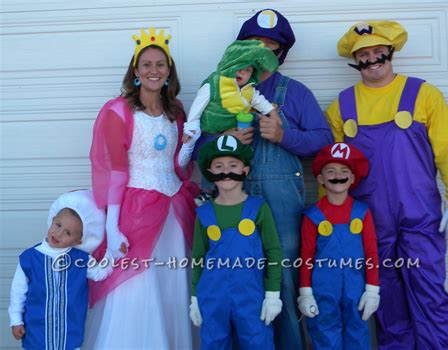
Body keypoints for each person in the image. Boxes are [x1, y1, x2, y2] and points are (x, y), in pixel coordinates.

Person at [326, 20, 448, 349]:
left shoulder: (424, 94)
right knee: (385, 301)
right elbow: (332, 173)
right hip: (370, 223)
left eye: (379, 52)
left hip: (419, 216)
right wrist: (335, 219)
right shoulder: (341, 106)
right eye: (364, 54)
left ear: (391, 53)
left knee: (430, 294)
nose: (373, 59)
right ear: (355, 59)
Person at [83, 27, 199, 349]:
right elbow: (115, 170)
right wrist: (112, 226)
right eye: (146, 64)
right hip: (135, 211)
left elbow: (179, 164)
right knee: (136, 286)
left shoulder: (176, 111)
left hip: (174, 211)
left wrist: (188, 146)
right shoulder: (118, 110)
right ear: (135, 71)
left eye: (161, 65)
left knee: (171, 284)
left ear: (169, 71)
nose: (154, 71)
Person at [235, 8, 334, 349]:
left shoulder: (296, 93)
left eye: (270, 46)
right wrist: (226, 140)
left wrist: (284, 136)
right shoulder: (221, 90)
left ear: (281, 53)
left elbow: (324, 141)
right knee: (240, 284)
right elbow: (196, 147)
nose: (262, 52)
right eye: (253, 44)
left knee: (287, 285)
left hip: (283, 209)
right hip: (234, 204)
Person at [189, 134, 284, 349]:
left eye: (233, 164)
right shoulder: (204, 214)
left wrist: (272, 294)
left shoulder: (259, 209)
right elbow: (197, 258)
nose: (226, 171)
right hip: (212, 296)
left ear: (245, 170)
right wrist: (194, 296)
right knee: (214, 343)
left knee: (257, 342)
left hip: (251, 295)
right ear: (210, 172)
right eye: (219, 166)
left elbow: (274, 252)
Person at [297, 142, 380, 349]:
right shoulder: (313, 215)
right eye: (330, 171)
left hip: (356, 287)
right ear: (320, 178)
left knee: (358, 335)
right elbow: (306, 255)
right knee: (325, 335)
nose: (337, 175)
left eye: (344, 171)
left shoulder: (362, 212)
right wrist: (305, 292)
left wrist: (372, 290)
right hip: (323, 288)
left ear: (352, 179)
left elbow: (371, 253)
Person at [8, 189, 112, 349]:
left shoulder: (81, 260)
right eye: (58, 225)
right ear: (52, 219)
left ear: (78, 241)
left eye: (68, 233)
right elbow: (18, 292)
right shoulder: (29, 258)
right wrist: (16, 320)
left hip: (69, 332)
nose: (59, 233)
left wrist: (112, 253)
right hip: (36, 331)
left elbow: (99, 273)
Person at [183, 39, 279, 145]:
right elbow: (197, 106)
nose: (242, 72)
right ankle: (185, 152)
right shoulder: (214, 83)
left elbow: (260, 101)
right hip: (210, 131)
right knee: (192, 143)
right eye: (239, 67)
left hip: (236, 131)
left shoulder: (248, 89)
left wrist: (272, 112)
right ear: (229, 65)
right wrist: (191, 126)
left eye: (248, 70)